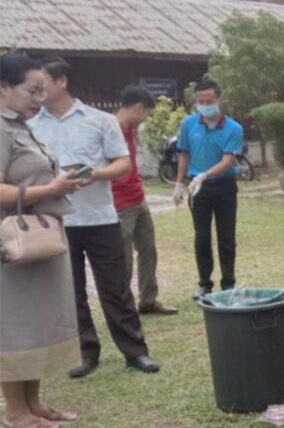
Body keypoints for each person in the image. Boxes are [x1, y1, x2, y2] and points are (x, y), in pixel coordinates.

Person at [30, 57, 159, 378]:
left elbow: (123, 165)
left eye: (41, 81)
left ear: (61, 82)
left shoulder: (100, 120)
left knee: (115, 288)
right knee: (71, 291)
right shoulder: (32, 126)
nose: (36, 88)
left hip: (100, 218)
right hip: (58, 222)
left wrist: (95, 174)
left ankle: (135, 351)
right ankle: (87, 352)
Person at [0, 54, 83, 428]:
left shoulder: (20, 126)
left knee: (33, 324)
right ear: (3, 88)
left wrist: (59, 182)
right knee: (13, 326)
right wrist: (50, 189)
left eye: (41, 91)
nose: (38, 99)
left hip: (38, 235)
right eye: (31, 91)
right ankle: (14, 414)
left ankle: (33, 402)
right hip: (12, 243)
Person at [174, 79, 243, 299]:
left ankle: (228, 283)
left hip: (224, 186)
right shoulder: (189, 124)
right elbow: (184, 153)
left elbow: (228, 160)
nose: (204, 105)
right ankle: (204, 283)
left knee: (226, 237)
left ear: (219, 100)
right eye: (200, 101)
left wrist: (206, 174)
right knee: (201, 236)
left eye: (209, 101)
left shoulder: (233, 128)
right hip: (197, 187)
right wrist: (179, 182)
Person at [113, 85, 177, 316]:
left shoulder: (131, 128)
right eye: (148, 113)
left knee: (148, 250)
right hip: (119, 203)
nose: (147, 118)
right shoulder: (111, 130)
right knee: (124, 259)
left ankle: (148, 300)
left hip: (138, 198)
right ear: (138, 108)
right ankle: (123, 307)